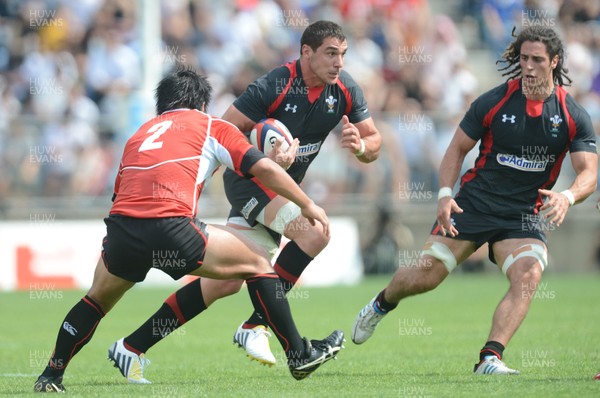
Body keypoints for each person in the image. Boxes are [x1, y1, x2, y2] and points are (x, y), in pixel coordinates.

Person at [33, 66, 345, 393]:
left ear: (162, 103)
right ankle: (298, 353)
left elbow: (121, 191)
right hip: (171, 227)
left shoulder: (139, 135)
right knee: (258, 262)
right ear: (202, 104)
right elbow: (262, 169)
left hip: (122, 230)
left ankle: (51, 375)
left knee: (95, 301)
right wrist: (307, 203)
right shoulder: (210, 125)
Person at [104, 19, 382, 378]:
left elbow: (373, 141)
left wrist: (361, 147)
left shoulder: (344, 89)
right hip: (249, 182)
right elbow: (223, 130)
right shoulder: (274, 85)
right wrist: (265, 152)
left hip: (280, 188)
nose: (339, 62)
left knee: (226, 281)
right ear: (306, 52)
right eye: (331, 54)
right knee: (314, 231)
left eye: (343, 54)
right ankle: (256, 326)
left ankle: (131, 347)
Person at [352, 25, 598, 375]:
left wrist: (569, 196)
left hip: (523, 214)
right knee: (427, 276)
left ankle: (490, 358)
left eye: (537, 60)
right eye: (524, 58)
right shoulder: (493, 101)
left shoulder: (572, 115)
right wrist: (444, 194)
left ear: (554, 62)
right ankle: (381, 303)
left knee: (529, 274)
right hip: (474, 203)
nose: (528, 67)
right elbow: (456, 149)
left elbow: (589, 172)